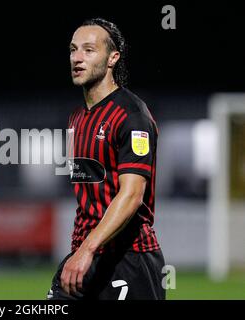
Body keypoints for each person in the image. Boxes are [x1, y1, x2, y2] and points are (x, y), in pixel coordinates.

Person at [47, 18, 165, 300]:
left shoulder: (131, 116)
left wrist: (87, 249)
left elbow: (132, 194)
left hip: (128, 261)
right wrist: (81, 250)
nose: (77, 58)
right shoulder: (76, 119)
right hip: (85, 256)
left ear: (113, 58)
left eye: (89, 50)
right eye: (73, 50)